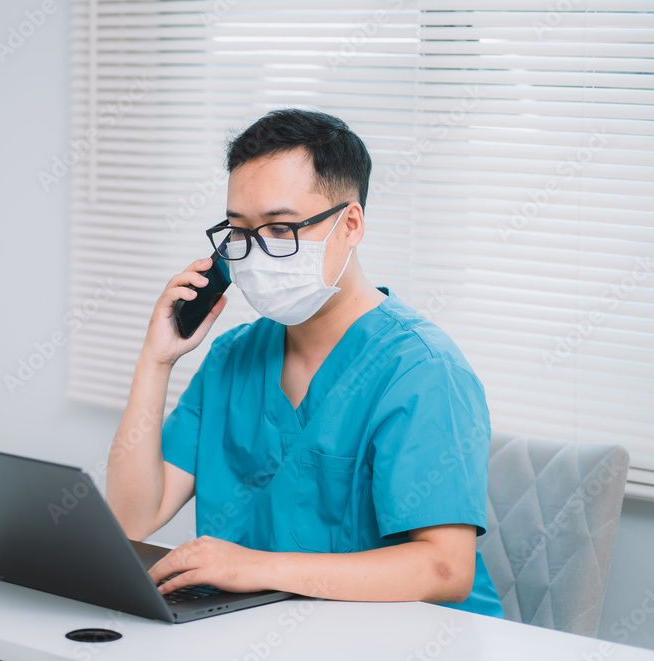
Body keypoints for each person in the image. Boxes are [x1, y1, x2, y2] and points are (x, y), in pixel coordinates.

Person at [105, 109, 504, 617]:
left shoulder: (423, 371)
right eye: (239, 231)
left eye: (280, 228)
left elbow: (446, 571)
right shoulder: (234, 357)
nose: (253, 252)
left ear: (350, 224)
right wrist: (154, 360)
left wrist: (259, 567)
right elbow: (131, 517)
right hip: (265, 631)